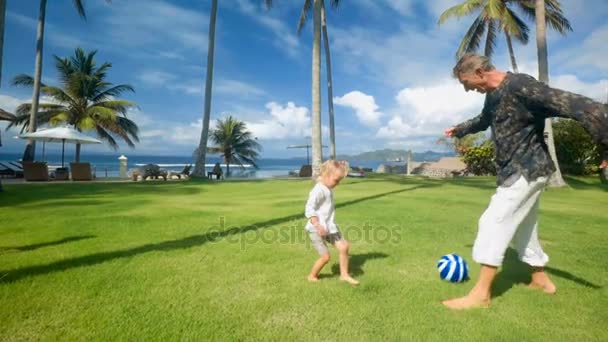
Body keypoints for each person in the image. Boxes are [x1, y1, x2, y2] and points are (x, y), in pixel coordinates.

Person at [442, 53, 608, 310]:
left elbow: (578, 105)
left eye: (466, 82)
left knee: (493, 220)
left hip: (528, 167)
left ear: (479, 73)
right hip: (515, 169)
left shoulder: (521, 85)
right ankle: (541, 279)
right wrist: (460, 129)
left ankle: (481, 294)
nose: (466, 89)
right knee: (523, 228)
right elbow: (485, 120)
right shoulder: (493, 95)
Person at [304, 160, 359, 285]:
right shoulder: (318, 190)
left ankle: (344, 275)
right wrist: (317, 225)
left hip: (329, 227)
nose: (337, 184)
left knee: (344, 247)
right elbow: (309, 208)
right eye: (336, 180)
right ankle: (312, 276)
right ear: (325, 174)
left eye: (339, 181)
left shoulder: (327, 187)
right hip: (316, 229)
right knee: (325, 257)